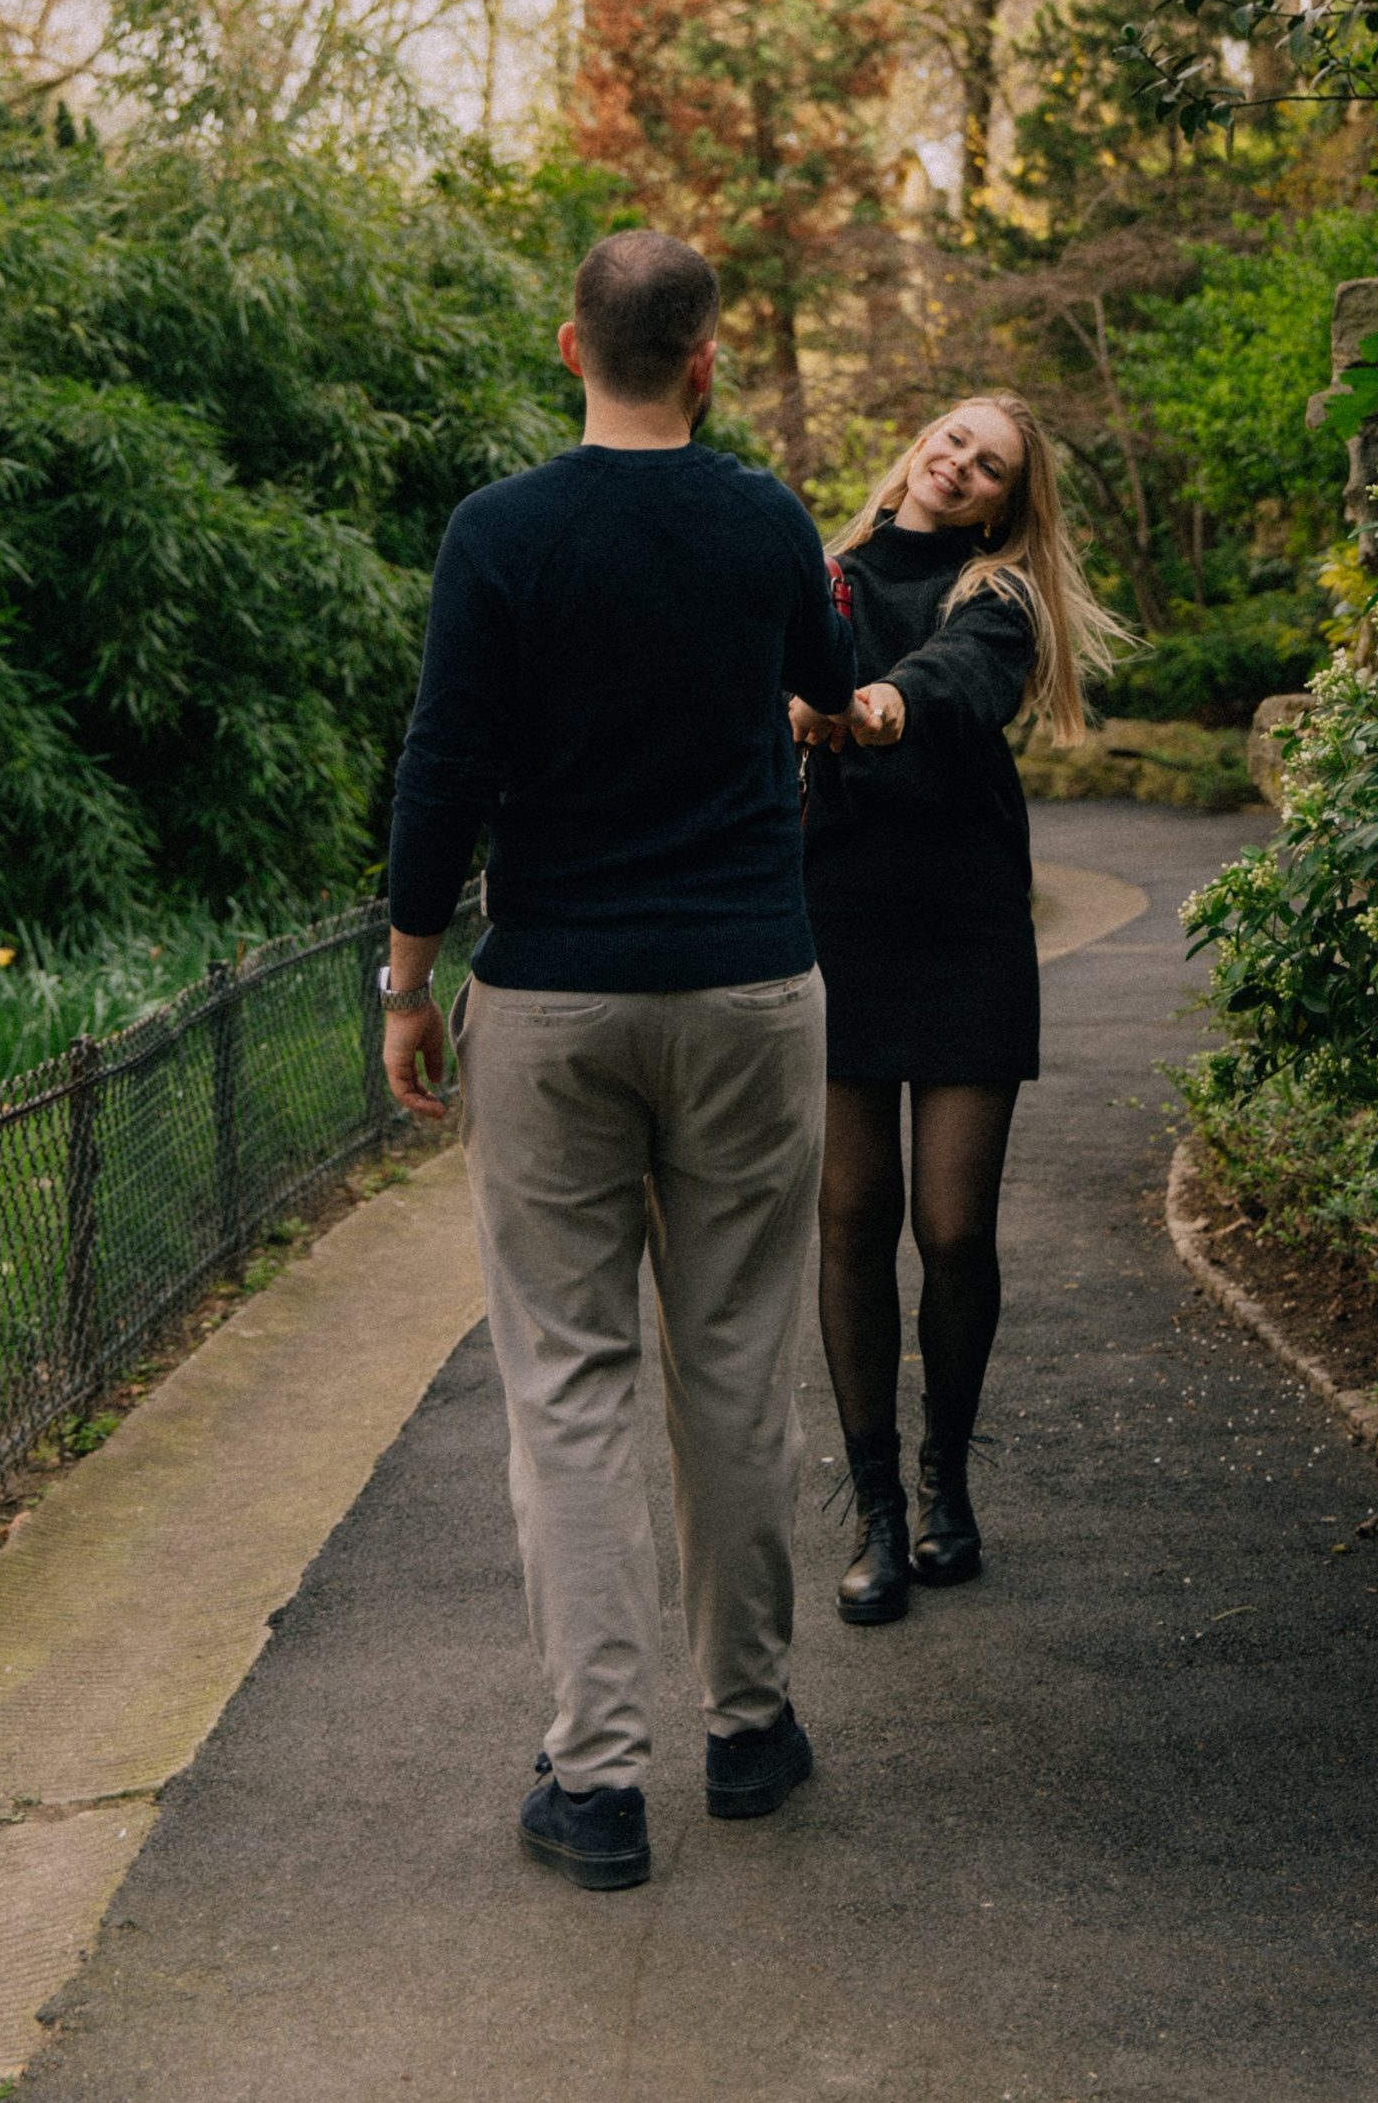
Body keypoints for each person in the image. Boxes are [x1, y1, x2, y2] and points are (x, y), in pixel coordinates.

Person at [381, 228, 857, 1895]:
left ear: (569, 345)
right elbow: (825, 682)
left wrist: (409, 973)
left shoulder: (497, 533)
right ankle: (746, 1729)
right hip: (745, 984)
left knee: (569, 1382)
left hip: (559, 996)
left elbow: (450, 753)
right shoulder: (765, 518)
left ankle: (595, 1785)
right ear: (708, 359)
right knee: (732, 1362)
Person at [790, 391, 1122, 1624]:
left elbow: (954, 682)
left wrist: (866, 707)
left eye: (987, 467)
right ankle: (876, 1504)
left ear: (1005, 502)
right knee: (850, 1217)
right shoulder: (822, 573)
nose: (959, 465)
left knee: (953, 1229)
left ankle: (946, 1478)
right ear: (920, 440)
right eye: (952, 440)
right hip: (838, 923)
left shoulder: (1000, 597)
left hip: (966, 926)